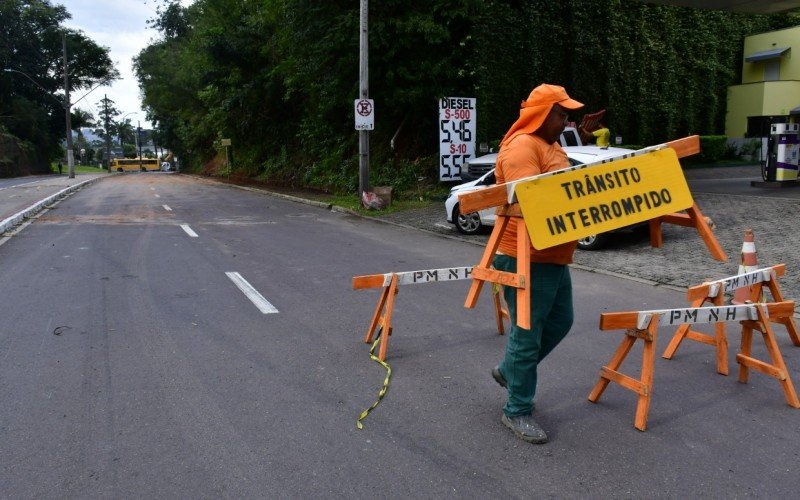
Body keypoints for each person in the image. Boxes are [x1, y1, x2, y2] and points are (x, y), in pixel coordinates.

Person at [490, 84, 584, 444]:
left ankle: (509, 370)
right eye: (561, 114)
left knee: (562, 321)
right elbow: (535, 200)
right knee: (527, 336)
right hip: (524, 255)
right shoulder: (521, 148)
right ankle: (517, 410)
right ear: (542, 113)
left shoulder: (552, 146)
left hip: (553, 256)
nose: (566, 120)